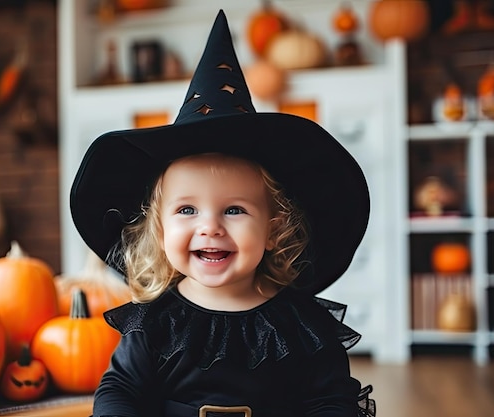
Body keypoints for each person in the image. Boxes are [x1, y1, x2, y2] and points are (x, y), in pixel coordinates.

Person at [70, 9, 376, 417]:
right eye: (187, 210)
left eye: (233, 210)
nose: (209, 227)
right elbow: (121, 389)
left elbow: (331, 400)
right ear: (160, 230)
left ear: (273, 228)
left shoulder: (300, 325)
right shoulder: (155, 324)